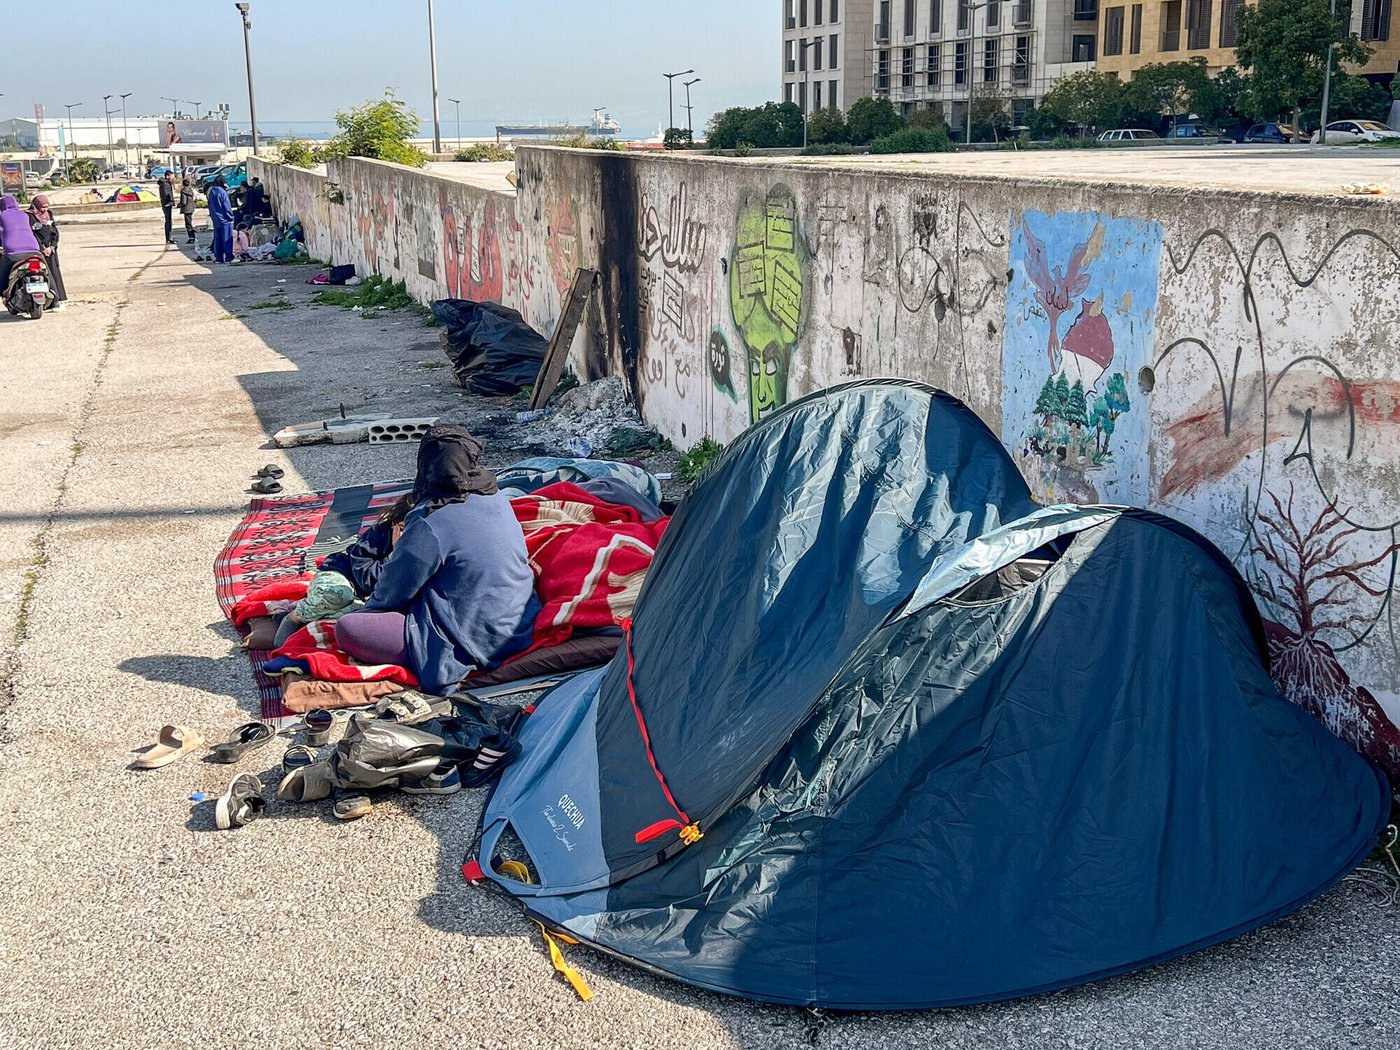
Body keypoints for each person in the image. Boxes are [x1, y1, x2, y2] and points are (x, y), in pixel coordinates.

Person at [335, 427, 540, 695]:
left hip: (473, 636)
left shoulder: (430, 521)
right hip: (519, 623)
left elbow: (391, 593)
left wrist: (368, 610)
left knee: (348, 627)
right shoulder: (496, 496)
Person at [26, 195, 66, 309]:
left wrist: (52, 246)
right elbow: (32, 234)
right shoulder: (29, 216)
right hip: (39, 250)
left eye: (47, 207)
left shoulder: (49, 214)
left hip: (51, 250)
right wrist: (42, 248)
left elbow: (54, 231)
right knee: (42, 275)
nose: (44, 210)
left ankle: (57, 299)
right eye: (42, 207)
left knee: (54, 274)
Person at [0, 194, 42, 292]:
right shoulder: (24, 215)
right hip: (34, 249)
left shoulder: (2, 216)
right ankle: (55, 298)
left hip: (13, 252)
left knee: (2, 276)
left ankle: (3, 293)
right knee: (46, 270)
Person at [207, 175, 234, 264]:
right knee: (227, 239)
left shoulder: (211, 192)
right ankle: (229, 257)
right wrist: (230, 217)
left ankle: (219, 258)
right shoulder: (222, 192)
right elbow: (227, 206)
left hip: (215, 219)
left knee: (217, 239)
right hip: (225, 219)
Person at [158, 171, 176, 245]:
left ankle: (169, 237)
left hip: (167, 204)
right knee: (168, 221)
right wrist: (171, 201)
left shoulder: (166, 183)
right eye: (171, 176)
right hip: (167, 204)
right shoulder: (165, 184)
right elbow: (167, 194)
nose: (172, 178)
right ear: (167, 176)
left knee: (169, 220)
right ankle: (168, 238)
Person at [178, 178, 197, 244]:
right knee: (190, 222)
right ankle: (192, 236)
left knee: (188, 224)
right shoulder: (190, 190)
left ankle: (191, 238)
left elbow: (184, 201)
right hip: (191, 208)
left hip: (186, 209)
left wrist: (179, 205)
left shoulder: (183, 191)